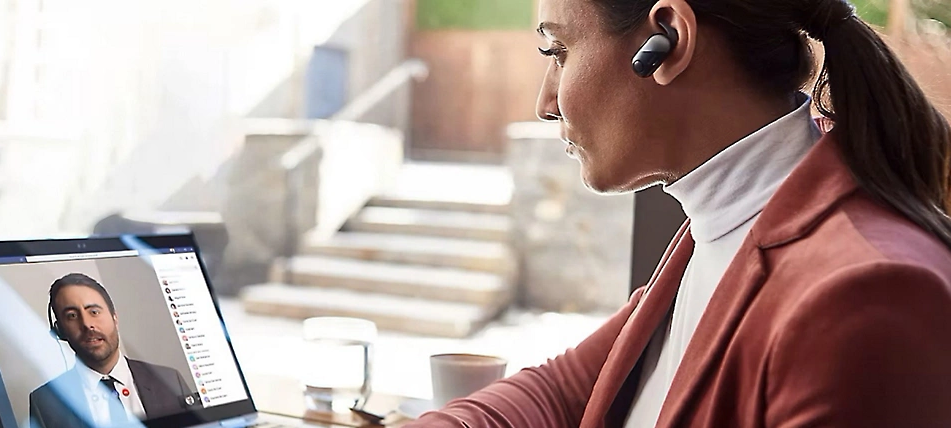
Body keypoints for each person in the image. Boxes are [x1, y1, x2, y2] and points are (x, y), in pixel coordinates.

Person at [408, 0, 951, 426]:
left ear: (667, 40)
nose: (545, 102)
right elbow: (562, 392)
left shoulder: (866, 294)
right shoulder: (720, 227)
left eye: (558, 52)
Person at [30, 273, 195, 428]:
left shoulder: (170, 380)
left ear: (114, 318)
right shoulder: (43, 402)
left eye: (94, 312)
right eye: (72, 316)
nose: (87, 324)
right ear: (60, 331)